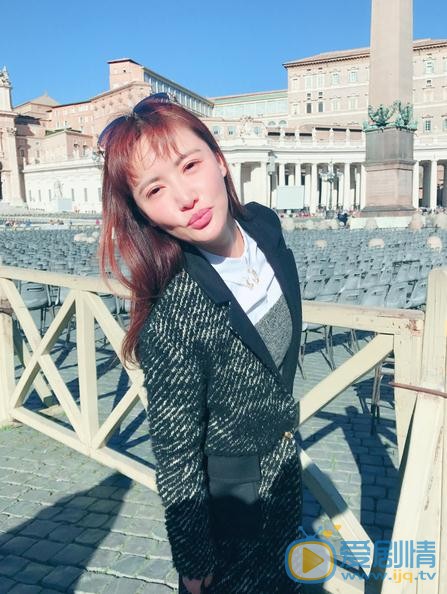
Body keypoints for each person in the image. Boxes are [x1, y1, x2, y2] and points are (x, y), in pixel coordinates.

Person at [98, 93, 303, 594]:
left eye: (190, 165)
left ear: (220, 161)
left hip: (286, 486)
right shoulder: (173, 313)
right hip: (231, 520)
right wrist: (193, 558)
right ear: (145, 213)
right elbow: (175, 450)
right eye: (155, 190)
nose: (185, 197)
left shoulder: (265, 228)